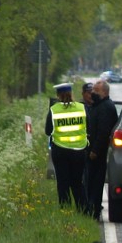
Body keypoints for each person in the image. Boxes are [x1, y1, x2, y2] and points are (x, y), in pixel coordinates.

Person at [45, 83, 89, 212]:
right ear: (71, 94)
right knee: (77, 183)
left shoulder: (54, 110)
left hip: (60, 151)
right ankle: (84, 211)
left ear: (58, 95)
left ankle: (66, 211)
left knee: (63, 183)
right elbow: (89, 127)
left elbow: (48, 131)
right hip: (79, 151)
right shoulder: (82, 108)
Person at [85, 79, 119, 220]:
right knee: (90, 182)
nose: (92, 93)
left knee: (95, 183)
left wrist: (95, 151)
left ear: (104, 92)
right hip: (93, 150)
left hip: (97, 153)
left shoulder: (105, 107)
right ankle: (91, 208)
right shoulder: (98, 106)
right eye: (92, 90)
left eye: (96, 91)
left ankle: (94, 210)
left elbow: (103, 132)